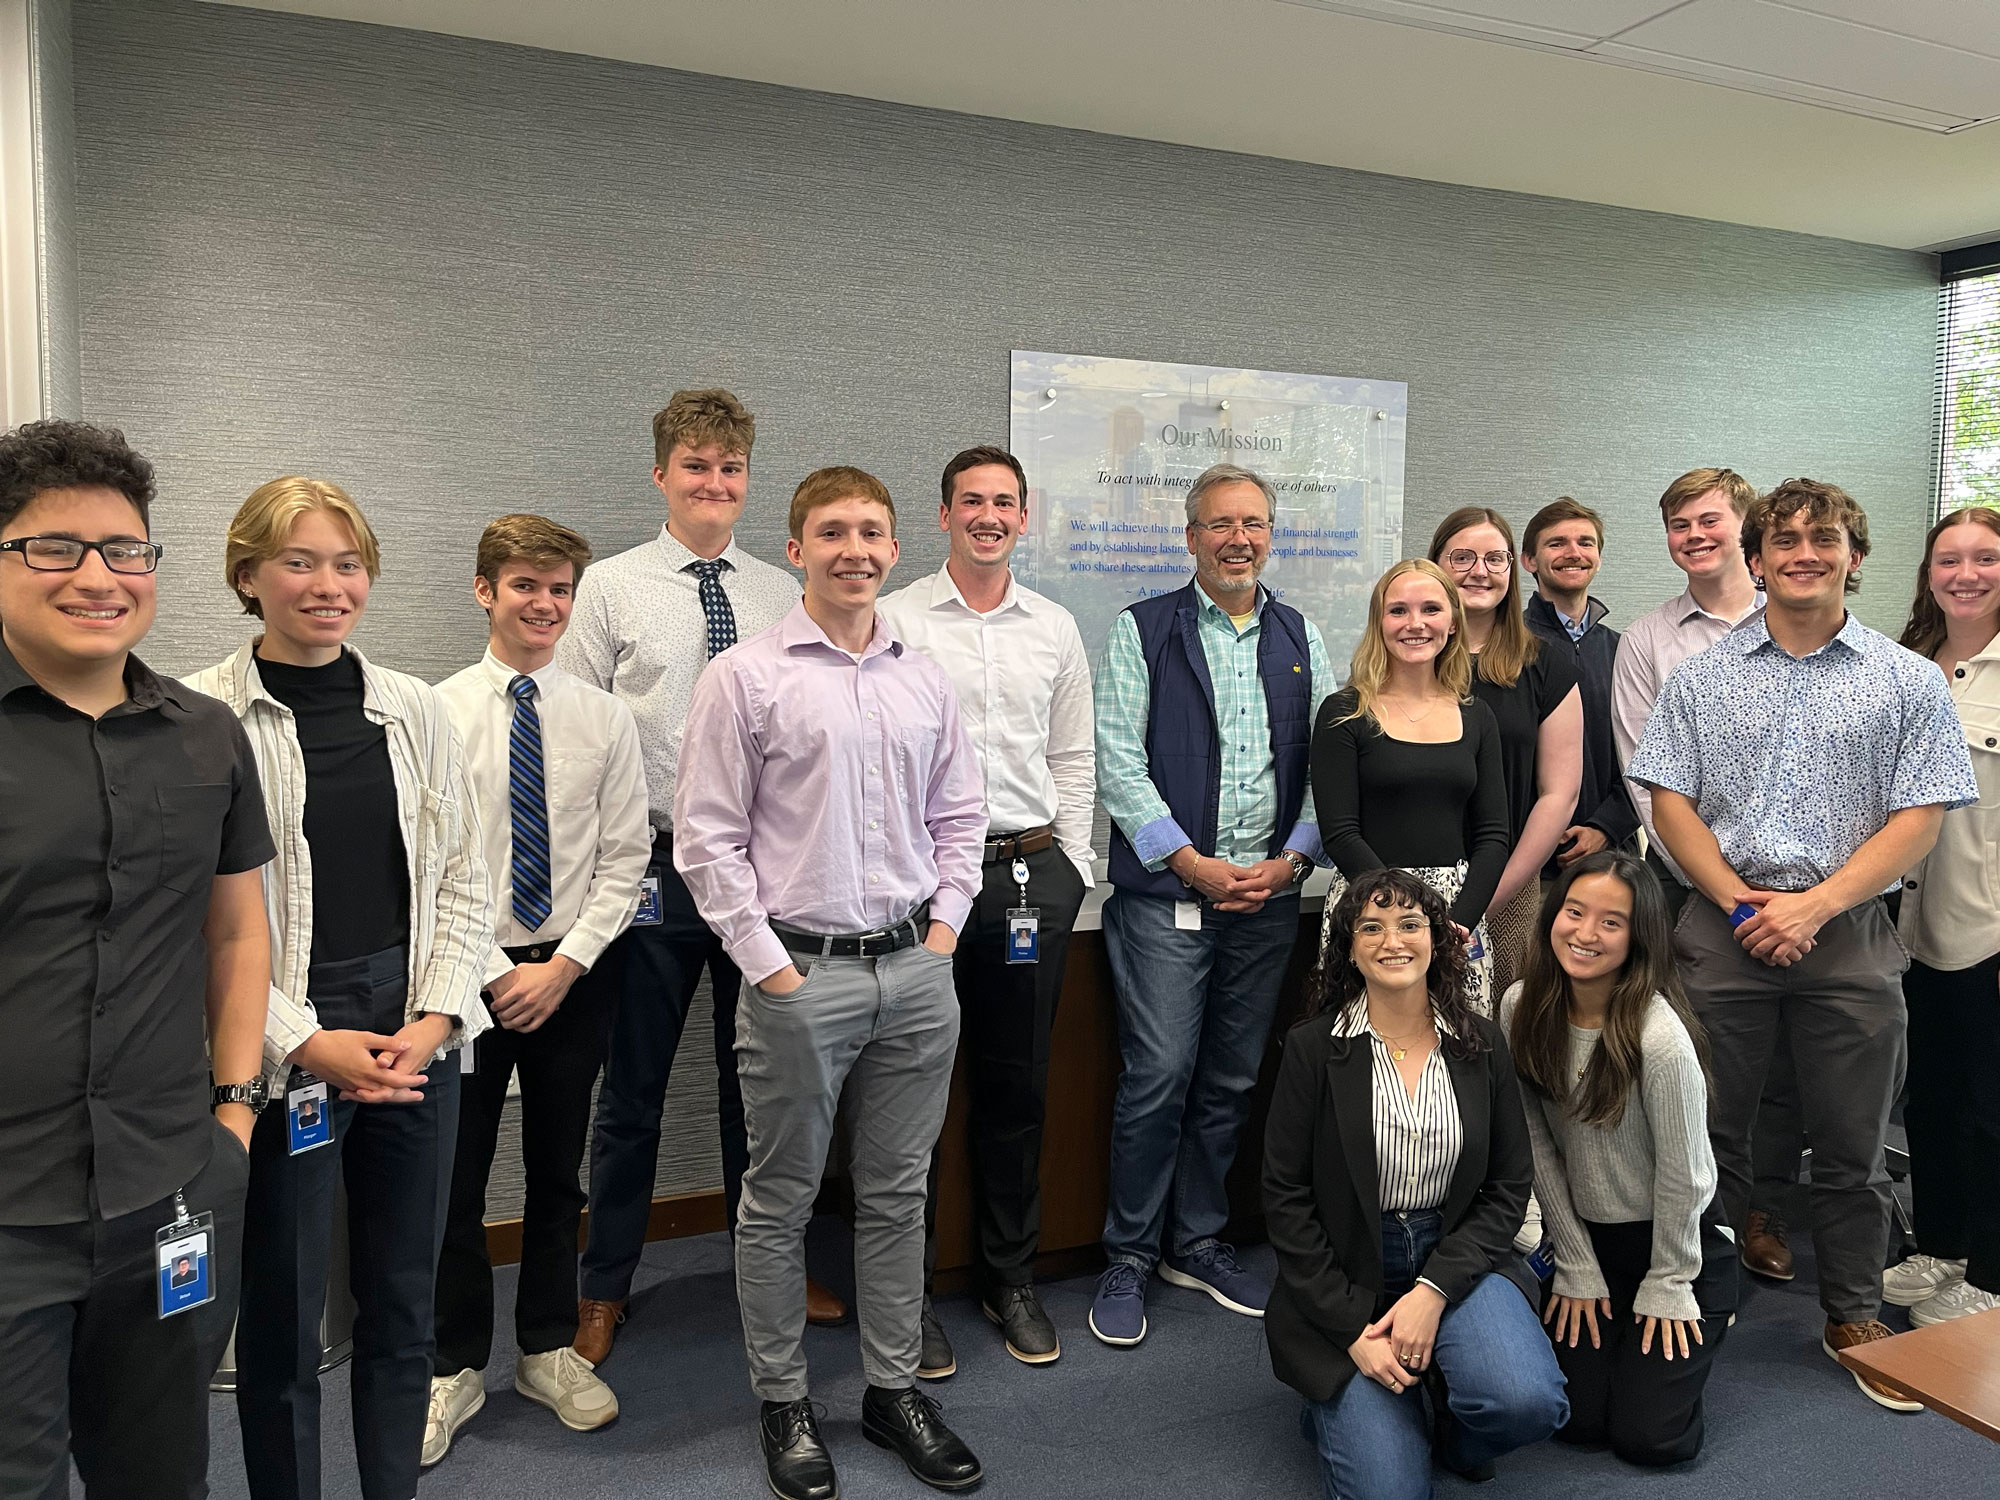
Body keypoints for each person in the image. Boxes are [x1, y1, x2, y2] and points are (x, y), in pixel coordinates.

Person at [1628, 478, 1977, 1410]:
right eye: (1781, 540)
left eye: (1824, 538)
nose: (1802, 553)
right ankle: (1696, 1292)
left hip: (1851, 934)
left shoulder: (1907, 679)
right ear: (1757, 558)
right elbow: (1669, 802)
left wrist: (1814, 906)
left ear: (1855, 557)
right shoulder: (1702, 678)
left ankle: (1854, 1312)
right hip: (1722, 923)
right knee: (1706, 1131)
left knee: (1853, 1143)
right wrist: (1741, 903)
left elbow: (1921, 817)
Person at [675, 466, 988, 1500]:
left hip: (914, 969)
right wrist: (766, 970)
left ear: (893, 548)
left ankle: (890, 1390)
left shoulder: (921, 675)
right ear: (796, 546)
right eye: (830, 531)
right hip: (799, 976)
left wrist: (943, 933)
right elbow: (705, 840)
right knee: (780, 1200)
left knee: (898, 1194)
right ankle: (784, 1401)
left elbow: (959, 817)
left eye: (869, 531)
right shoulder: (746, 677)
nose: (852, 548)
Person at [189, 477, 494, 1499]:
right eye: (300, 561)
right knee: (284, 1311)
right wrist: (301, 1042)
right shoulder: (200, 716)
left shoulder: (410, 708)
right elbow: (199, 915)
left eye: (348, 563)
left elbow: (462, 876)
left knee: (404, 1301)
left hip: (415, 1035)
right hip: (286, 1046)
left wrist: (440, 1015)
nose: (329, 584)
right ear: (248, 576)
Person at [0, 420, 271, 1500]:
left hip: (172, 1191)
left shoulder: (206, 734)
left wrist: (235, 1120)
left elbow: (238, 930)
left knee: (159, 1478)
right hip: (10, 1215)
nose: (98, 576)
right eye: (53, 548)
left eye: (123, 549)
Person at [557, 389, 848, 1360]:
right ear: (661, 476)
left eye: (729, 469)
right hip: (650, 871)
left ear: (746, 482)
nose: (713, 484)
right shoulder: (608, 587)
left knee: (757, 1089)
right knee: (631, 1088)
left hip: (762, 879)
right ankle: (602, 1287)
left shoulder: (780, 591)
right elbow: (579, 732)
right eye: (695, 467)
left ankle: (766, 1265)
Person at [1091, 462, 1335, 1348]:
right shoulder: (1142, 629)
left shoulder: (1301, 635)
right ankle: (1127, 1251)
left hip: (1267, 902)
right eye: (1220, 524)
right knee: (1157, 1077)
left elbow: (1325, 768)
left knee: (1232, 1079)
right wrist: (1190, 862)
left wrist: (1294, 861)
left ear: (1272, 535)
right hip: (1168, 897)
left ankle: (1194, 1240)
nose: (1239, 538)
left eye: (1255, 524)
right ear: (1189, 536)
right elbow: (1118, 760)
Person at [425, 515, 651, 1462]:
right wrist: (489, 972)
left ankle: (547, 1348)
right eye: (525, 586)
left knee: (561, 1170)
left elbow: (626, 857)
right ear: (485, 591)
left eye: (560, 590)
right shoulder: (431, 713)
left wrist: (562, 967)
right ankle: (453, 1364)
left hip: (574, 972)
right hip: (462, 975)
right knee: (455, 1177)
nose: (545, 605)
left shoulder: (606, 717)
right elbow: (430, 858)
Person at [879, 445, 1095, 1375]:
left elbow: (1074, 759)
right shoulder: (891, 620)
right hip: (920, 888)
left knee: (1017, 1087)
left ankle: (1011, 1278)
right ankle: (909, 1294)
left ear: (1024, 517)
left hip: (1026, 880)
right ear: (943, 516)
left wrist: (1074, 869)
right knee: (907, 1095)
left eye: (1006, 503)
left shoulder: (1054, 626)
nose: (990, 516)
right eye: (973, 501)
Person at [1264, 868, 1567, 1500]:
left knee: (1527, 1403)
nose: (1391, 941)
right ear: (1348, 948)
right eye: (1369, 927)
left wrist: (1432, 1291)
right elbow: (1286, 1200)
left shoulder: (1481, 1042)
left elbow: (1509, 1186)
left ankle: (1454, 1417)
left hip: (1455, 1255)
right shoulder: (1313, 1049)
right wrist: (1350, 1333)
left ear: (1437, 939)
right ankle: (1346, 1402)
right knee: (1390, 1491)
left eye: (1409, 924)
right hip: (1348, 1264)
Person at [1609, 468, 1802, 1287]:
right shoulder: (1650, 639)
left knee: (1788, 1068)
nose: (1695, 535)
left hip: (1804, 890)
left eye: (1709, 520)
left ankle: (1766, 1210)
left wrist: (1793, 893)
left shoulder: (1800, 616)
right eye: (1679, 524)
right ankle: (1711, 1220)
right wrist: (1725, 887)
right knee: (1711, 1062)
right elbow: (1643, 776)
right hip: (1696, 889)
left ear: (1745, 528)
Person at [1503, 850, 1736, 1467]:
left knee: (1648, 1440)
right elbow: (1538, 1148)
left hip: (1676, 1244)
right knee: (1574, 1423)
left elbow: (1687, 1178)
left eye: (1611, 922)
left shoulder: (1658, 1037)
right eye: (1575, 912)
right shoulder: (1520, 1007)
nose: (1585, 933)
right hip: (1590, 1244)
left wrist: (1668, 1279)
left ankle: (1709, 1317)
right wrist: (1575, 1260)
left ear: (1639, 938)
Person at [1885, 506, 2000, 1326]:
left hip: (1989, 927)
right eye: (1949, 559)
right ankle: (1943, 1244)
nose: (1966, 574)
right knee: (1929, 1094)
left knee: (1991, 1106)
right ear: (1928, 573)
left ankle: (1990, 1275)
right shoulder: (1909, 663)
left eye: (1985, 559)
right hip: (1910, 926)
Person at [1314, 558, 1510, 1013]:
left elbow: (1493, 835)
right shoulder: (1344, 713)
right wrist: (1403, 917)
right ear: (1378, 623)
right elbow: (1340, 833)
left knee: (1459, 1054)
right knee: (1363, 1057)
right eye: (1398, 610)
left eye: (1431, 609)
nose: (1415, 624)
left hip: (1456, 916)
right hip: (1368, 908)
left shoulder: (1477, 716)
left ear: (1454, 624)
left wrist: (1453, 923)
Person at [1430, 508, 1582, 999]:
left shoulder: (1546, 664)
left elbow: (1559, 793)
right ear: (1436, 565)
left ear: (1513, 569)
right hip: (1414, 882)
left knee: (1500, 1034)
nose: (1480, 570)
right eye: (1463, 557)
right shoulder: (1408, 657)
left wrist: (1490, 897)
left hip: (1510, 888)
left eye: (1495, 559)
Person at [1521, 497, 1638, 874]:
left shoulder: (1625, 649)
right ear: (1529, 561)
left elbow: (1648, 755)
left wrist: (1606, 827)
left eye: (1585, 543)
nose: (1574, 553)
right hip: (1528, 865)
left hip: (1614, 859)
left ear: (1598, 557)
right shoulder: (1504, 647)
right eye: (1557, 543)